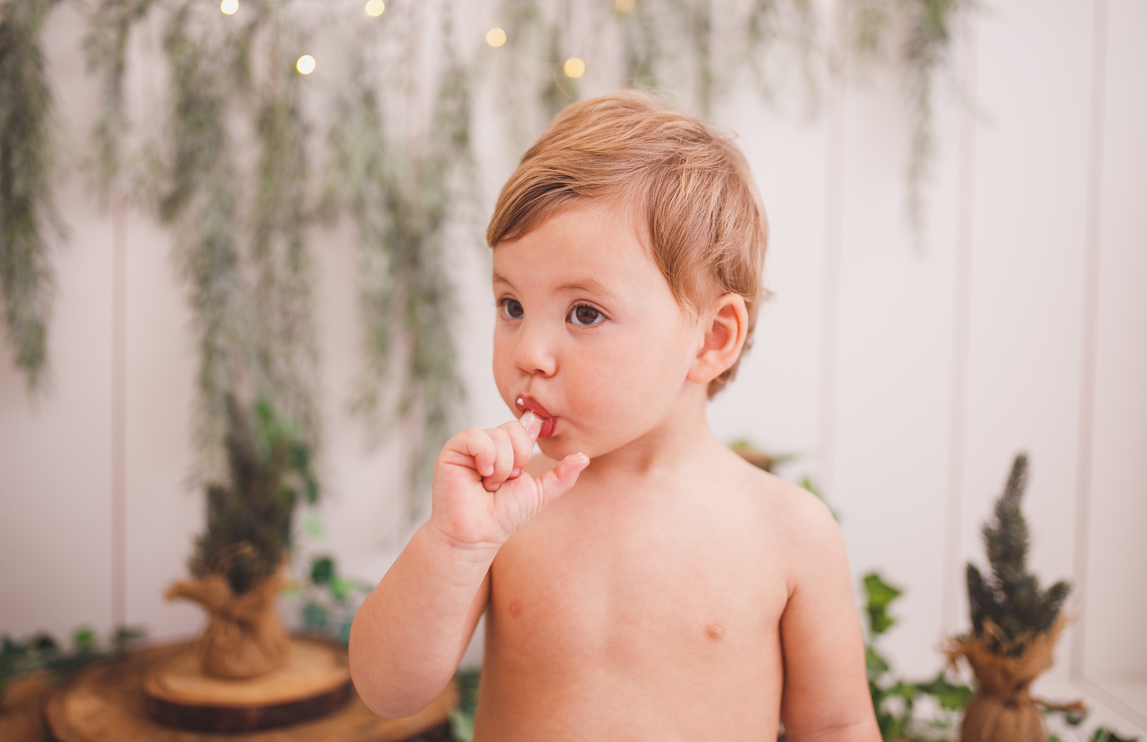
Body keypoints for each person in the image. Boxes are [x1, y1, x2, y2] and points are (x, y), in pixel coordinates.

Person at [349, 92, 880, 741]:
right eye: (511, 305)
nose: (529, 354)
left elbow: (837, 726)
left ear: (711, 340)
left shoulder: (788, 531)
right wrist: (453, 544)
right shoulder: (506, 513)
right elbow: (387, 691)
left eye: (584, 314)